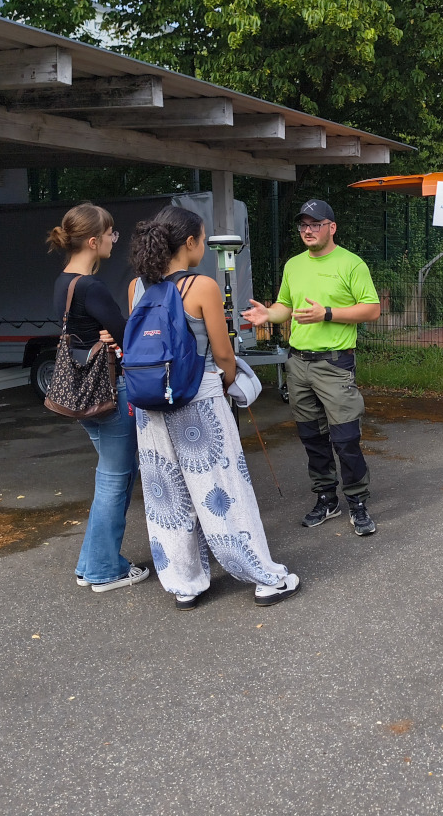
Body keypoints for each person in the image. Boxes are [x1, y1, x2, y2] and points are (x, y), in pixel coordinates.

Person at [128, 205, 299, 610]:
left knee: (167, 495)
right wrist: (228, 382)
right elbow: (223, 355)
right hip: (199, 397)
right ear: (190, 242)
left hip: (150, 403)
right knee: (222, 491)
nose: (204, 246)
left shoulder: (136, 287)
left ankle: (185, 583)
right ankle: (264, 578)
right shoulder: (201, 286)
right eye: (203, 239)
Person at [241, 199, 381, 537]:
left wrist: (327, 314)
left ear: (332, 227)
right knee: (312, 438)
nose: (307, 230)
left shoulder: (351, 264)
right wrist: (268, 314)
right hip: (298, 364)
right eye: (303, 224)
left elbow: (372, 309)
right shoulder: (294, 265)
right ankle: (326, 499)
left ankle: (357, 502)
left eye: (315, 224)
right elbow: (285, 306)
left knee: (345, 438)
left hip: (334, 364)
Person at [46, 202, 149, 593]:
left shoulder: (64, 282)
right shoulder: (92, 287)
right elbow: (129, 336)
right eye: (110, 234)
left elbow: (90, 333)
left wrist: (105, 334)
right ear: (93, 240)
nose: (113, 240)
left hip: (83, 392)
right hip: (109, 392)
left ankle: (90, 564)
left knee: (110, 477)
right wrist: (116, 333)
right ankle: (106, 570)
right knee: (115, 482)